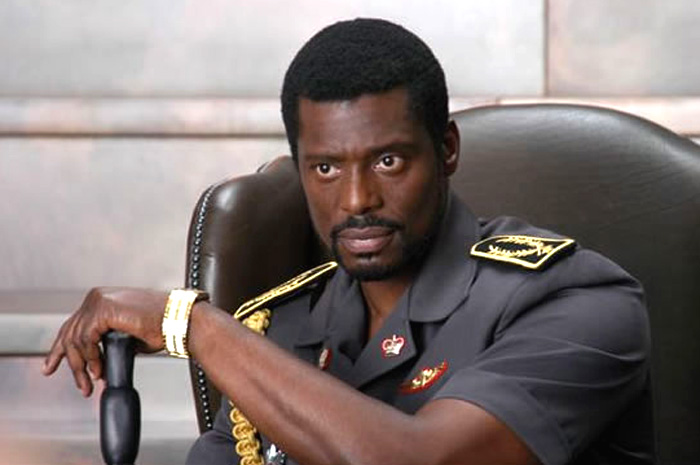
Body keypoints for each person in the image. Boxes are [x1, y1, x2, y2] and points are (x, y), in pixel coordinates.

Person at [43, 18, 654, 465]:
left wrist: (192, 323)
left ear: (446, 150)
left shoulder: (579, 300)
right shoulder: (277, 329)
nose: (357, 199)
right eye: (326, 168)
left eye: (388, 161)